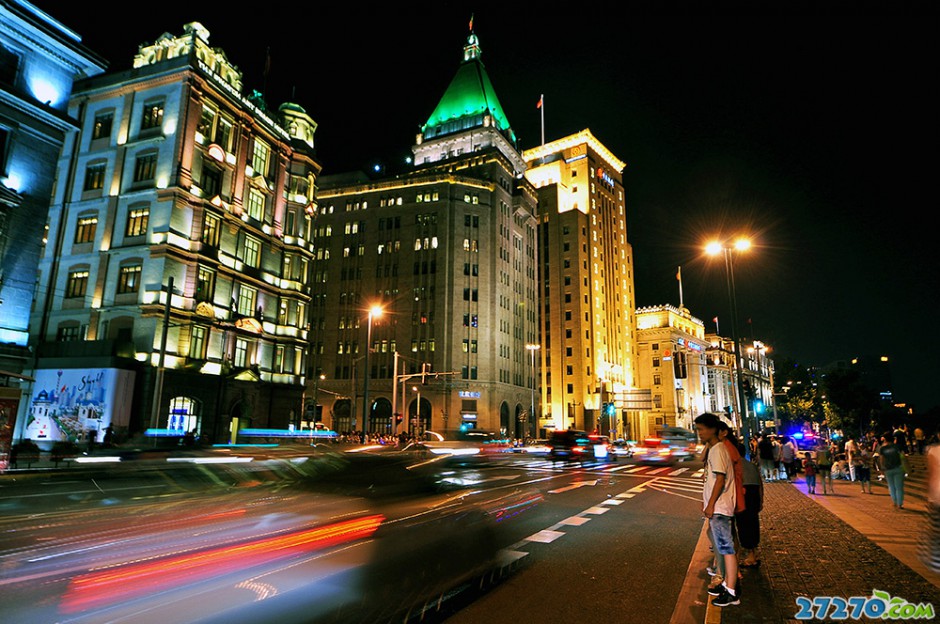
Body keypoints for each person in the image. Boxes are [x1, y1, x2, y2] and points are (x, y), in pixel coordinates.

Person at [694, 413, 739, 607]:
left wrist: (711, 504)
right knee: (723, 547)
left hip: (720, 507)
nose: (699, 433)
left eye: (701, 429)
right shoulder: (715, 448)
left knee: (727, 549)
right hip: (718, 506)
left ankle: (731, 592)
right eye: (698, 430)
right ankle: (727, 585)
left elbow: (720, 479)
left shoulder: (718, 449)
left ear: (713, 429)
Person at [736, 443, 763, 567]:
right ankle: (753, 553)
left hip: (743, 494)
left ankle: (750, 555)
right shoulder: (751, 465)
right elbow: (760, 484)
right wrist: (761, 500)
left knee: (743, 524)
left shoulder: (735, 466)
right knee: (753, 522)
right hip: (754, 495)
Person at [879, 433, 908, 510]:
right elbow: (902, 456)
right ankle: (900, 504)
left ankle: (895, 502)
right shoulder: (897, 447)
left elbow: (881, 459)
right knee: (899, 487)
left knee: (891, 486)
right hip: (898, 467)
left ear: (885, 439)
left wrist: (882, 468)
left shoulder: (882, 448)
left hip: (888, 469)